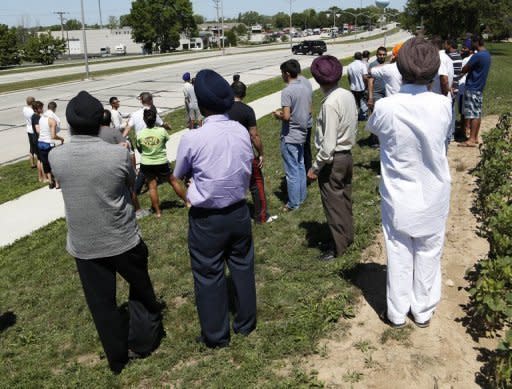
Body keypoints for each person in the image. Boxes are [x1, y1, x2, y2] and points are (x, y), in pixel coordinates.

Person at [49, 91, 164, 374]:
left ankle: (117, 358)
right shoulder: (118, 154)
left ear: (71, 125)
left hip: (84, 245)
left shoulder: (56, 156)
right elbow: (128, 182)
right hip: (122, 237)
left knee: (102, 305)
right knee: (141, 288)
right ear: (100, 121)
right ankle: (144, 340)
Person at [366, 37, 452, 328]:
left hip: (398, 193)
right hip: (434, 191)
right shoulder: (443, 105)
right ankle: (423, 310)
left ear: (398, 68)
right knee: (429, 250)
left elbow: (374, 129)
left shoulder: (386, 107)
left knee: (399, 250)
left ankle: (397, 312)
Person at [173, 69, 256, 348]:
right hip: (239, 210)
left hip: (207, 218)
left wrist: (188, 194)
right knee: (243, 266)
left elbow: (179, 173)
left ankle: (216, 335)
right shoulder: (241, 130)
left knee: (209, 275)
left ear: (202, 104)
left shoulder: (193, 138)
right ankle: (246, 322)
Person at [307, 55, 358, 261]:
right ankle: (347, 235)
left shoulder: (329, 104)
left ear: (318, 80)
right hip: (346, 155)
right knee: (344, 199)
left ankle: (338, 247)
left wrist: (315, 167)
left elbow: (328, 145)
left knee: (333, 205)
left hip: (333, 160)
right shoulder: (346, 94)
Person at [228, 80, 277, 224]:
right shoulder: (247, 110)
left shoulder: (223, 110)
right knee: (256, 184)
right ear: (244, 94)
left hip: (226, 155)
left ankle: (233, 217)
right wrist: (261, 153)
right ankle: (262, 216)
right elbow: (254, 135)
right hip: (245, 154)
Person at [273, 59, 311, 211]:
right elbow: (308, 111)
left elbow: (287, 116)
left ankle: (294, 203)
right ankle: (302, 196)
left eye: (282, 73)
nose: (282, 76)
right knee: (300, 165)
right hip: (302, 131)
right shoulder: (305, 88)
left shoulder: (287, 91)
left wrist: (278, 114)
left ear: (287, 74)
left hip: (290, 135)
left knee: (291, 170)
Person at [136, 109, 187, 218]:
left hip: (146, 163)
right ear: (155, 120)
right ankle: (187, 202)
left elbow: (139, 149)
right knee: (173, 181)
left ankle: (158, 212)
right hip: (161, 161)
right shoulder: (162, 131)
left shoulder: (139, 134)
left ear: (144, 120)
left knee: (152, 186)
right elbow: (165, 141)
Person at [459, 35, 491, 147]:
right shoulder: (487, 54)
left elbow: (465, 69)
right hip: (479, 87)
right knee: (477, 113)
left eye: (472, 42)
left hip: (472, 87)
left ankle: (471, 139)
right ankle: (475, 137)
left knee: (472, 114)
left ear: (477, 42)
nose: (471, 44)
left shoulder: (477, 56)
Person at [288, 59, 314, 176]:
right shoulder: (306, 81)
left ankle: (303, 172)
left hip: (299, 122)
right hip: (308, 121)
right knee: (306, 148)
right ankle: (309, 169)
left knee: (299, 150)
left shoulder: (295, 84)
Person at [38, 104, 64, 188]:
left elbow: (40, 130)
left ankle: (50, 182)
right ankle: (57, 183)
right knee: (53, 163)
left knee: (45, 163)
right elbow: (53, 136)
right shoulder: (53, 121)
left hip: (40, 142)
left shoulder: (41, 118)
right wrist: (61, 139)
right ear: (54, 109)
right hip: (49, 143)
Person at [347, 52, 368, 120]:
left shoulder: (350, 65)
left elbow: (349, 77)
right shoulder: (362, 65)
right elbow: (365, 76)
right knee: (363, 102)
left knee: (356, 102)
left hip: (353, 87)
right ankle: (362, 116)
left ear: (354, 57)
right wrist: (366, 85)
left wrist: (351, 84)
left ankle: (355, 115)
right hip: (361, 87)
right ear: (361, 57)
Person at [30, 100, 45, 182]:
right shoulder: (36, 117)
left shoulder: (34, 116)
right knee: (42, 159)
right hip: (39, 140)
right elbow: (38, 130)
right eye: (41, 108)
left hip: (35, 139)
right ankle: (44, 177)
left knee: (39, 159)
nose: (42, 109)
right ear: (37, 109)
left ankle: (40, 177)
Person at [23, 96, 37, 168]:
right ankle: (40, 161)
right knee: (37, 147)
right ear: (32, 102)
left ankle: (32, 163)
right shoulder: (32, 112)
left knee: (31, 147)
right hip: (33, 130)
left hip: (28, 129)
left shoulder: (24, 109)